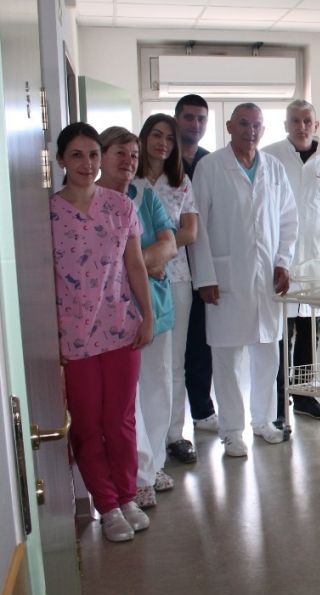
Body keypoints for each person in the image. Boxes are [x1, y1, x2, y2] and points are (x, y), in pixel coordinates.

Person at [50, 122, 153, 542]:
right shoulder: (48, 214)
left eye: (93, 155)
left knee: (121, 420)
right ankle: (106, 506)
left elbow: (135, 265)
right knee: (88, 425)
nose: (87, 163)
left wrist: (147, 315)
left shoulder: (120, 206)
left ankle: (127, 497)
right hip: (74, 336)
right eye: (76, 155)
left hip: (120, 327)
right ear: (61, 160)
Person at [189, 103, 299, 457]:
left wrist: (283, 262)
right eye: (243, 124)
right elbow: (196, 225)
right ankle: (232, 431)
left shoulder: (274, 168)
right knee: (228, 359)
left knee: (268, 352)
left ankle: (263, 421)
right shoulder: (210, 167)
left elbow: (289, 220)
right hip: (225, 277)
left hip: (267, 278)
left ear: (263, 130)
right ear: (229, 127)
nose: (250, 131)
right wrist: (205, 276)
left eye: (256, 125)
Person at [97, 126, 178, 510]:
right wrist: (147, 263)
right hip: (112, 315)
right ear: (101, 156)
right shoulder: (90, 200)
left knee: (158, 388)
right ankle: (139, 473)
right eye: (120, 153)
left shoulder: (145, 195)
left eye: (133, 155)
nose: (129, 161)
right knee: (126, 398)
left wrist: (134, 264)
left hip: (154, 308)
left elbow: (170, 244)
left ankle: (153, 463)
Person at [263, 99, 320, 423]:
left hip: (315, 257)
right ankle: (278, 401)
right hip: (281, 257)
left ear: (316, 125)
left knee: (309, 330)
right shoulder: (270, 156)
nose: (301, 126)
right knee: (281, 333)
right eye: (295, 121)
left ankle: (305, 396)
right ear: (286, 125)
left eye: (307, 120)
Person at [135, 114, 199, 467]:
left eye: (169, 139)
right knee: (143, 364)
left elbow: (191, 231)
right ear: (144, 137)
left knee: (174, 362)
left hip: (175, 280)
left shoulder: (180, 182)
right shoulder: (129, 178)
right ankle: (144, 439)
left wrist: (158, 248)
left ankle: (173, 434)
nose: (163, 143)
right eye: (157, 135)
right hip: (135, 280)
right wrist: (150, 253)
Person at [175, 94, 220, 438]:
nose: (195, 124)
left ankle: (202, 411)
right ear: (177, 119)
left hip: (203, 264)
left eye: (201, 118)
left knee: (202, 342)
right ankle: (170, 426)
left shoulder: (210, 162)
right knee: (174, 350)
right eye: (189, 117)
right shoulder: (163, 160)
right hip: (171, 265)